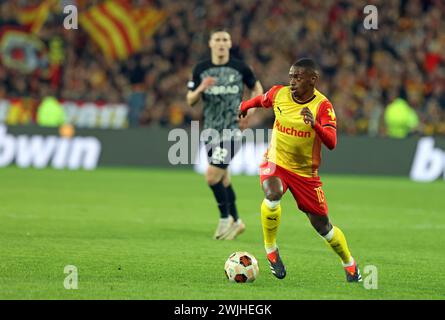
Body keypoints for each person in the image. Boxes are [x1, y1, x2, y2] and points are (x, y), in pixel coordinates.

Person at [238, 58, 361, 282]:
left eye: (298, 77)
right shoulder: (279, 94)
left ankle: (349, 263)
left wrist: (315, 125)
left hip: (305, 174)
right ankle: (271, 249)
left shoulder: (323, 106)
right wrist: (244, 107)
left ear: (312, 80)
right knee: (272, 194)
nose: (292, 81)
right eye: (291, 76)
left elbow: (332, 142)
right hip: (276, 162)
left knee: (324, 227)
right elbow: (261, 100)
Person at [186, 29, 263, 240]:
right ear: (210, 43)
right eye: (217, 39)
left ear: (229, 44)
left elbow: (258, 91)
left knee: (212, 176)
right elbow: (191, 100)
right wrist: (201, 87)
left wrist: (250, 111)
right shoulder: (201, 69)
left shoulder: (240, 68)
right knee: (224, 178)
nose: (221, 43)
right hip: (210, 131)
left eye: (225, 40)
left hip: (232, 131)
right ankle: (237, 221)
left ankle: (224, 219)